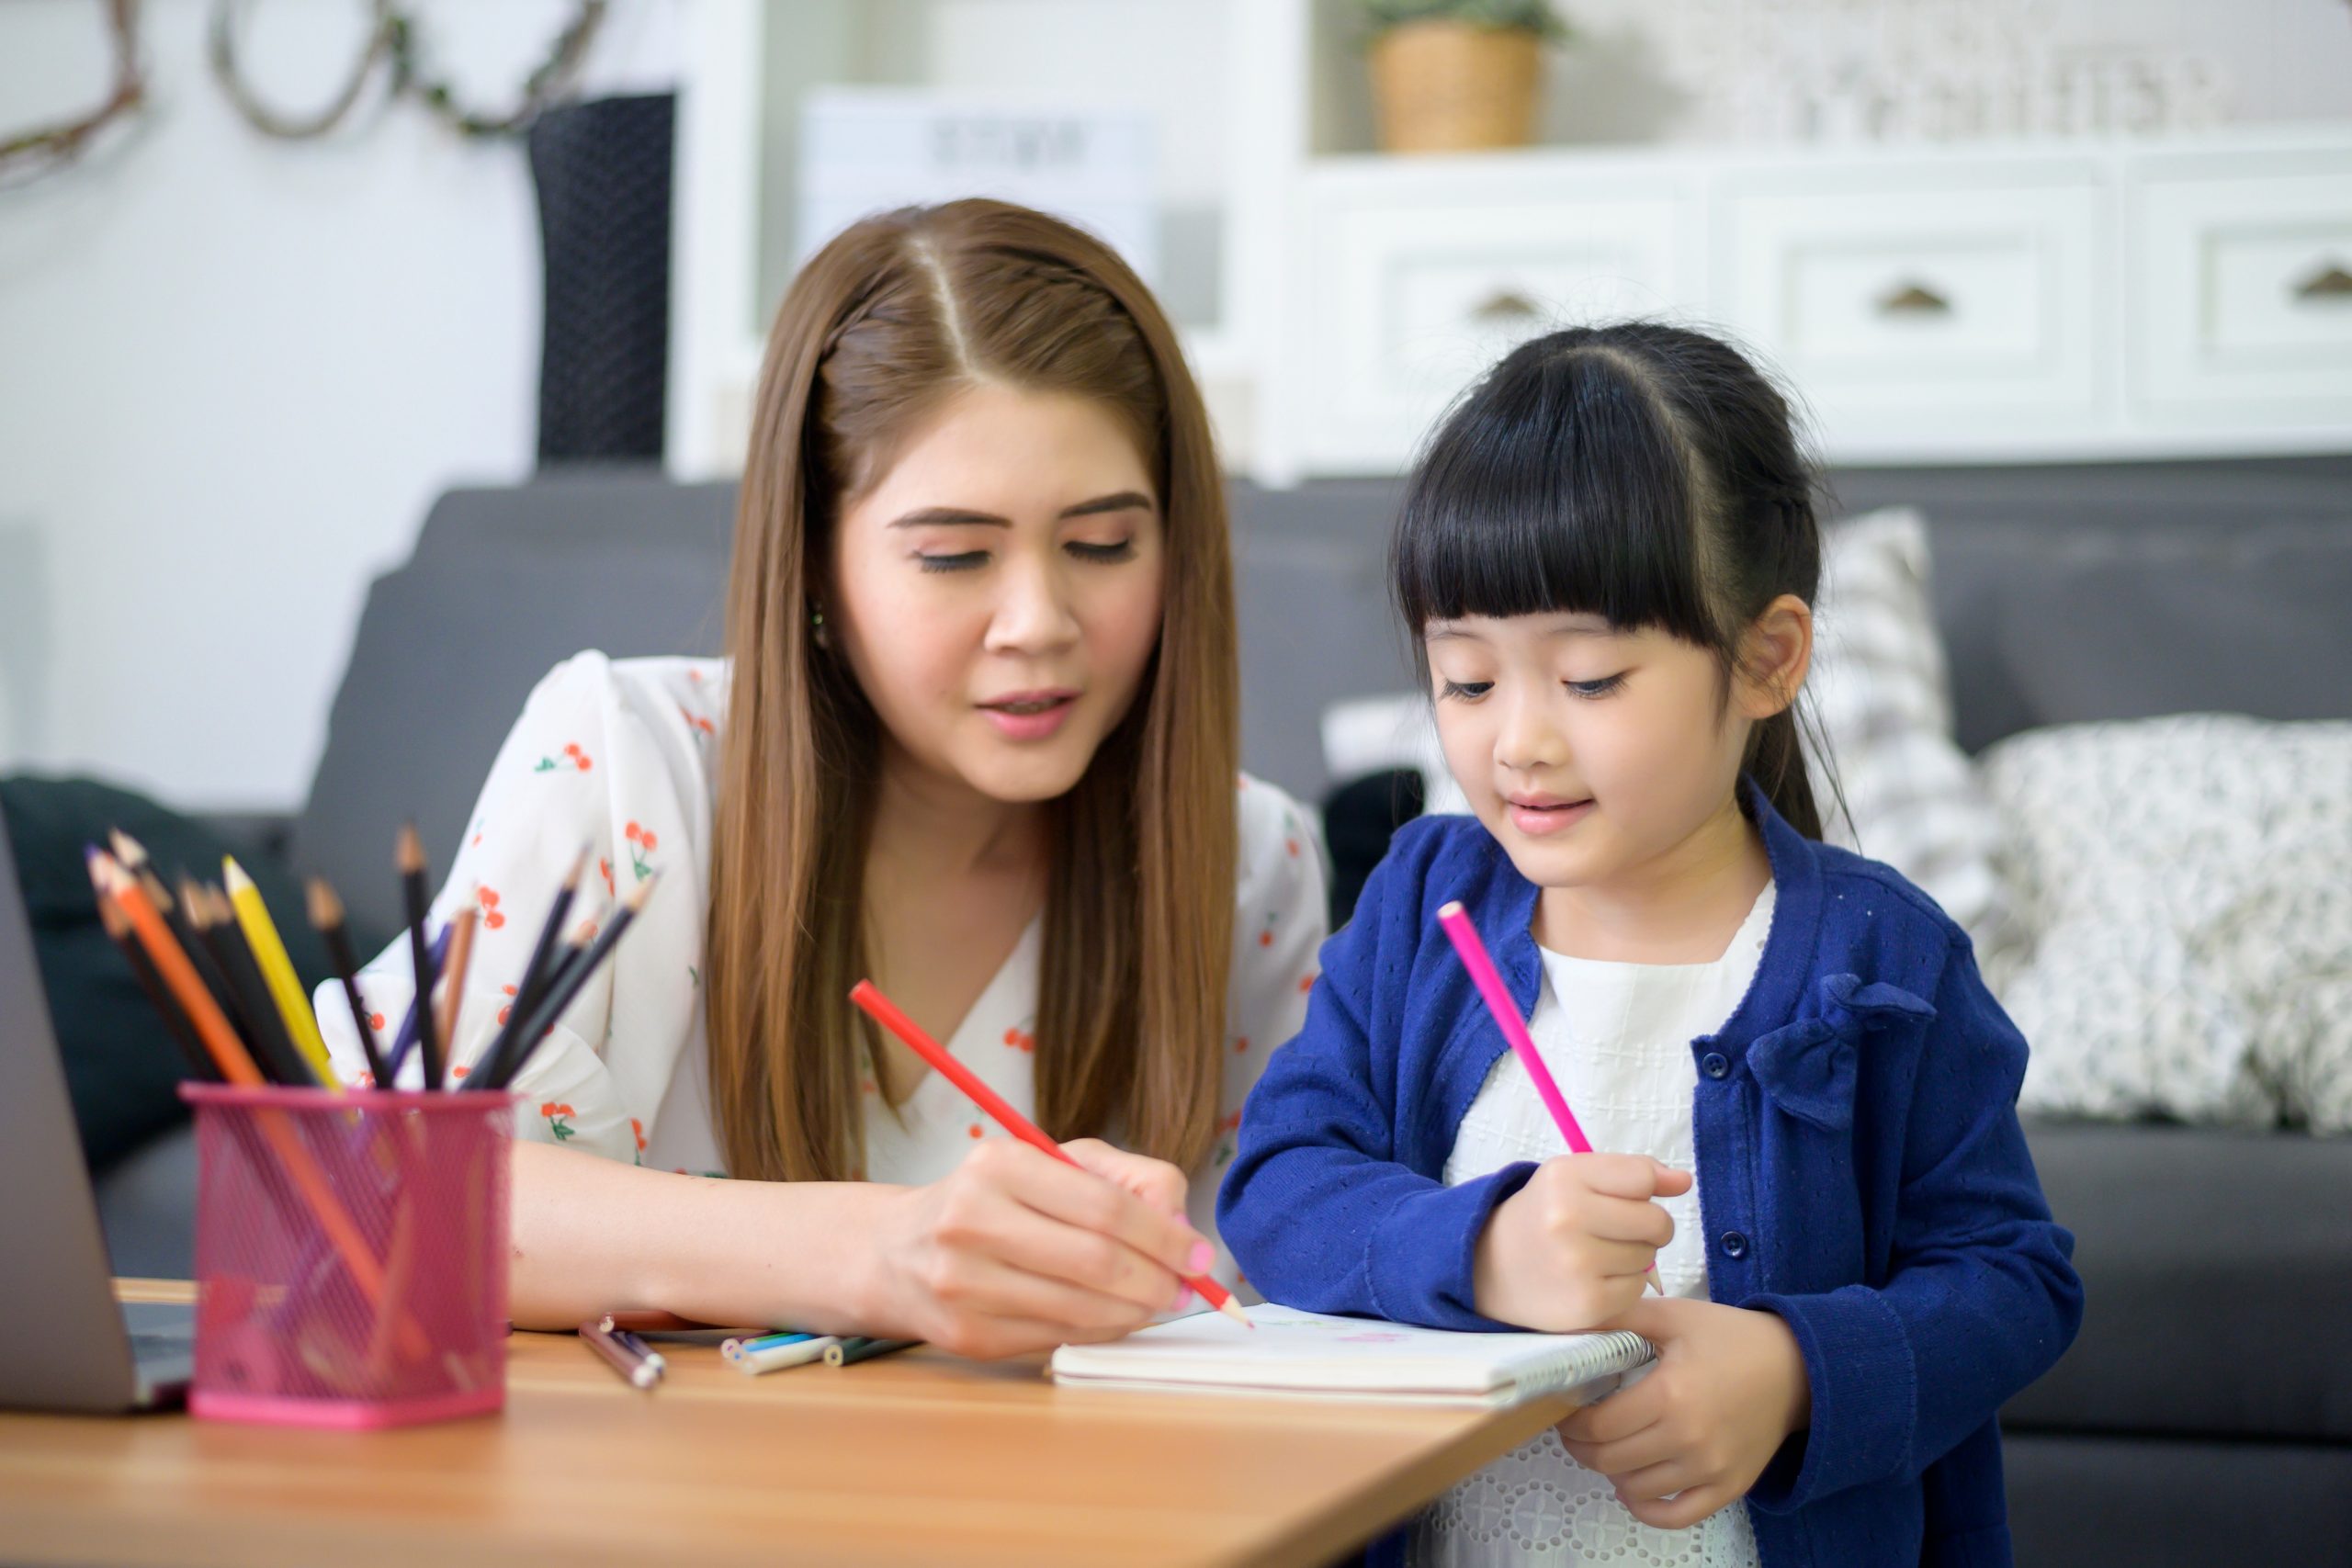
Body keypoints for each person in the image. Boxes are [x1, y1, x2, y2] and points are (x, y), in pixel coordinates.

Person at [317, 200, 1326, 1359]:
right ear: (811, 561)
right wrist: (875, 1254)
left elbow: (1259, 1302)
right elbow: (392, 1195)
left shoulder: (1250, 862)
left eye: (1103, 544)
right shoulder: (624, 759)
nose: (1040, 623)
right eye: (953, 556)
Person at [1217, 322, 2081, 1567]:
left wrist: (1791, 1369)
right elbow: (1281, 1181)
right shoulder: (1419, 906)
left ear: (1765, 657)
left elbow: (2010, 1279)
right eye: (1466, 680)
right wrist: (1483, 1247)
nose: (1517, 741)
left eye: (1590, 678)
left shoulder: (1881, 952)